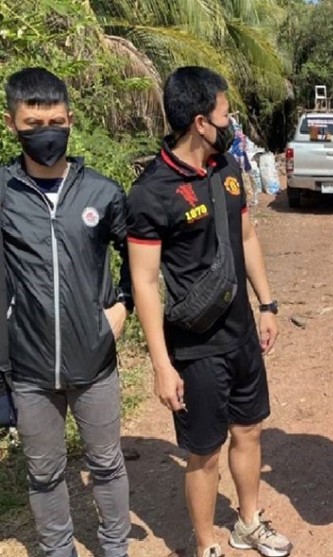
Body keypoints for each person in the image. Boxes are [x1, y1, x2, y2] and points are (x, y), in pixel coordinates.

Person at [126, 67, 290, 557]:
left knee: (249, 430)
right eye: (224, 115)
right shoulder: (151, 192)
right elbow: (144, 283)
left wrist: (267, 304)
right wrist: (162, 364)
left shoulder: (228, 169)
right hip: (195, 347)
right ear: (200, 122)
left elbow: (247, 237)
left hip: (241, 334)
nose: (230, 123)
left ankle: (248, 522)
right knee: (203, 453)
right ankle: (206, 544)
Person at [1, 67, 132, 557]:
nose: (46, 133)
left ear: (71, 119)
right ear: (11, 123)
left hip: (95, 360)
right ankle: (59, 551)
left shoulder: (102, 192)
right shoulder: (3, 192)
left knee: (107, 463)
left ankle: (115, 549)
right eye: (33, 124)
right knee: (43, 473)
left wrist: (123, 306)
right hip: (29, 368)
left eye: (55, 122)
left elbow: (139, 254)